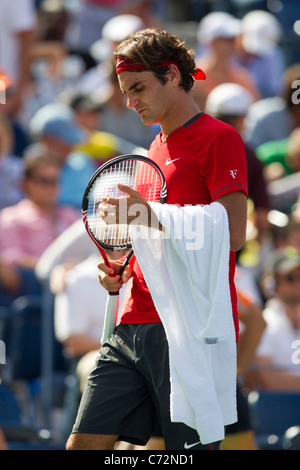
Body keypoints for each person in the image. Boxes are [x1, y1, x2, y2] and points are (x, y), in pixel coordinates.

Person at [66, 27, 248, 451]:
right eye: (125, 91)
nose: (130, 103)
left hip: (185, 329)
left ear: (170, 74)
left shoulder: (221, 138)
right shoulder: (153, 149)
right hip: (131, 323)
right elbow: (157, 234)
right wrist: (124, 270)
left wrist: (152, 215)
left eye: (138, 88)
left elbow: (234, 232)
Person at [0, 150, 79, 307]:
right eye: (44, 181)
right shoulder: (11, 217)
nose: (51, 187)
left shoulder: (71, 215)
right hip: (36, 293)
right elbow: (12, 259)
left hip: (74, 286)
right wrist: (53, 267)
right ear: (26, 184)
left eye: (55, 181)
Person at [249, 248, 300, 391]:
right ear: (273, 283)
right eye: (290, 278)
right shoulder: (265, 322)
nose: (298, 283)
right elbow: (266, 377)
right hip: (279, 409)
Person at [193, 11, 260, 110]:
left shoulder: (243, 77)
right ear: (212, 42)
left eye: (233, 39)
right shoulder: (192, 77)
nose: (232, 43)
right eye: (226, 39)